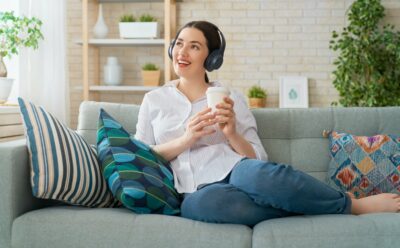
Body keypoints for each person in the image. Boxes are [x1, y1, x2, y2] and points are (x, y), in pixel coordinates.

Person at [135, 20, 400, 226]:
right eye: (179, 43)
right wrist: (187, 139)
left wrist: (232, 132)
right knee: (205, 207)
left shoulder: (230, 97)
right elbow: (142, 154)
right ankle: (315, 203)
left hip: (235, 169)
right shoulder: (154, 100)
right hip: (191, 190)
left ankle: (352, 206)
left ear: (212, 58)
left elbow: (258, 157)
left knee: (265, 176)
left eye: (194, 46)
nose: (182, 52)